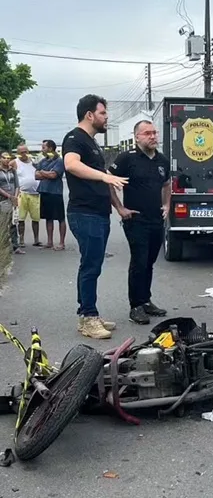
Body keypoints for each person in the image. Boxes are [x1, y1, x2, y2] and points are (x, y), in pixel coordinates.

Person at [62, 94, 127, 340]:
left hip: (99, 213)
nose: (106, 117)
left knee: (95, 265)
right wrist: (104, 177)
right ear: (89, 115)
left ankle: (90, 313)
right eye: (102, 113)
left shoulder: (92, 142)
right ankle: (87, 318)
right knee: (90, 266)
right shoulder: (74, 138)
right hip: (84, 213)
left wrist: (119, 208)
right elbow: (71, 165)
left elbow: (103, 180)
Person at [108, 120, 171, 324]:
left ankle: (145, 300)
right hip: (136, 219)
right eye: (147, 133)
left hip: (156, 219)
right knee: (139, 261)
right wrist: (119, 207)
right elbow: (108, 181)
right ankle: (135, 306)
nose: (152, 136)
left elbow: (167, 185)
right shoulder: (127, 158)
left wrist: (167, 206)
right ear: (137, 137)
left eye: (154, 132)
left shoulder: (162, 160)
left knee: (150, 263)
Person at [35, 140, 67, 251]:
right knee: (48, 218)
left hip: (55, 192)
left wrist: (43, 172)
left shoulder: (59, 161)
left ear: (50, 149)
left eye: (44, 147)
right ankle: (49, 242)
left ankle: (62, 243)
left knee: (60, 218)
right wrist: (46, 173)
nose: (42, 150)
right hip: (44, 192)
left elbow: (54, 175)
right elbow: (36, 175)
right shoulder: (43, 161)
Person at [14, 144, 42, 248]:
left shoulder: (34, 162)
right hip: (22, 193)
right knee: (21, 219)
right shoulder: (15, 162)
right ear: (18, 153)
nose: (24, 154)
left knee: (36, 218)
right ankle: (21, 240)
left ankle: (36, 239)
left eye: (25, 151)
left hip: (35, 194)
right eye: (21, 152)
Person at [0, 152, 22, 255]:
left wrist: (15, 196)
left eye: (8, 158)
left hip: (13, 199)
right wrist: (9, 196)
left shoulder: (13, 170)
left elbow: (17, 184)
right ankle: (4, 246)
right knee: (4, 223)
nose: (7, 160)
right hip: (3, 200)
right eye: (4, 158)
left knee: (14, 223)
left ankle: (15, 246)